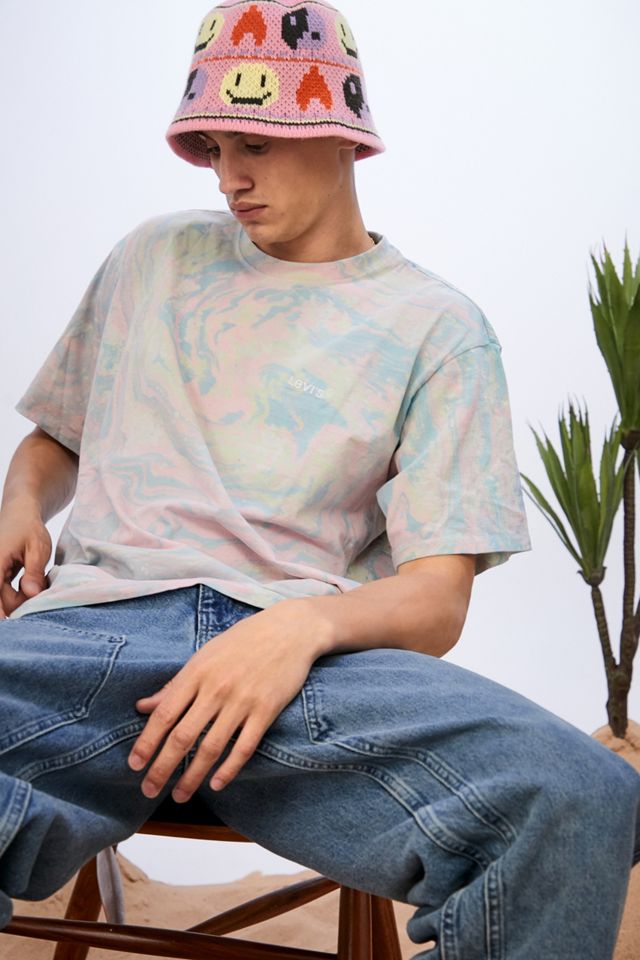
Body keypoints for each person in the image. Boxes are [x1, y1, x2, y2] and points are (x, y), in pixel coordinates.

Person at [0, 1, 638, 957]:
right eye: (213, 147)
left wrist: (296, 629)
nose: (229, 177)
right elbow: (58, 436)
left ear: (344, 136)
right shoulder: (152, 257)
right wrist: (20, 503)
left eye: (254, 143)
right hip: (94, 630)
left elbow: (437, 599)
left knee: (582, 795)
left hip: (310, 667)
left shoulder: (439, 328)